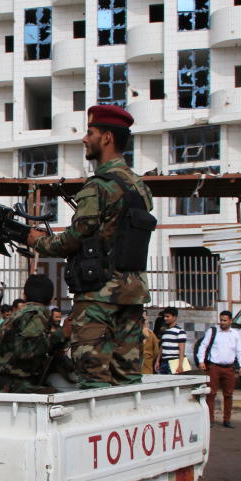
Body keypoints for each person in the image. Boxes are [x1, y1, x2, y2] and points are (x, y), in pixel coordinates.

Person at [27, 105, 154, 389]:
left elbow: (75, 237)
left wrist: (38, 241)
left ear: (106, 138)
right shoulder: (140, 187)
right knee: (128, 381)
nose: (85, 139)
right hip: (133, 296)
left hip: (98, 297)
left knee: (93, 380)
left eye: (90, 133)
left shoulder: (98, 186)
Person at [0, 275, 60, 393]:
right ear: (51, 300)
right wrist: (61, 336)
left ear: (24, 295)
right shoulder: (36, 315)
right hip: (12, 383)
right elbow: (26, 351)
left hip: (4, 379)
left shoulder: (19, 314)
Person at [197, 310, 241, 428]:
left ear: (230, 321)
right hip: (214, 366)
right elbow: (203, 345)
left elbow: (239, 350)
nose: (222, 323)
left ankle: (227, 419)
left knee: (228, 394)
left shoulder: (235, 334)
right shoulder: (213, 331)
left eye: (225, 320)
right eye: (221, 320)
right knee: (211, 393)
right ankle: (210, 419)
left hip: (229, 368)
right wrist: (201, 361)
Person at [158, 307, 188, 374]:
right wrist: (158, 361)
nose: (165, 318)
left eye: (167, 316)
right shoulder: (164, 331)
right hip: (164, 362)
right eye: (164, 316)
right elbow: (162, 346)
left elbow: (182, 349)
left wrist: (180, 365)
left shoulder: (180, 331)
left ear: (174, 317)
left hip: (174, 361)